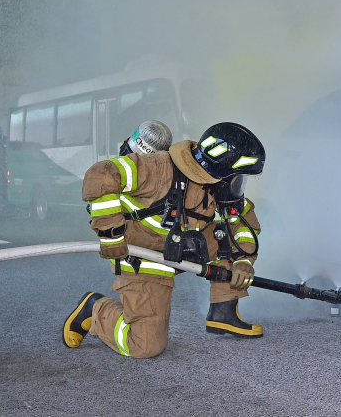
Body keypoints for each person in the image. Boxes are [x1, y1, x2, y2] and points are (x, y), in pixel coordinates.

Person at [63, 121, 266, 358]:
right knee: (145, 346)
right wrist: (111, 235)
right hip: (143, 256)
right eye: (237, 178)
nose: (238, 185)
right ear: (219, 170)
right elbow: (100, 174)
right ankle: (95, 310)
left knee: (228, 232)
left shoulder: (217, 185)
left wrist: (243, 261)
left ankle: (223, 312)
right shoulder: (158, 169)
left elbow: (244, 222)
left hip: (183, 248)